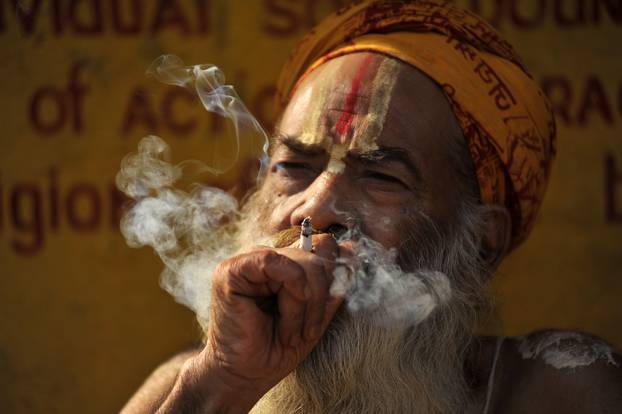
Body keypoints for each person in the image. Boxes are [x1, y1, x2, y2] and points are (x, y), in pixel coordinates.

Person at [121, 1, 622, 413]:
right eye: (294, 166)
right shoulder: (191, 389)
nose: (314, 210)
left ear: (483, 241)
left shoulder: (559, 389)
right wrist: (225, 385)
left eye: (382, 177)